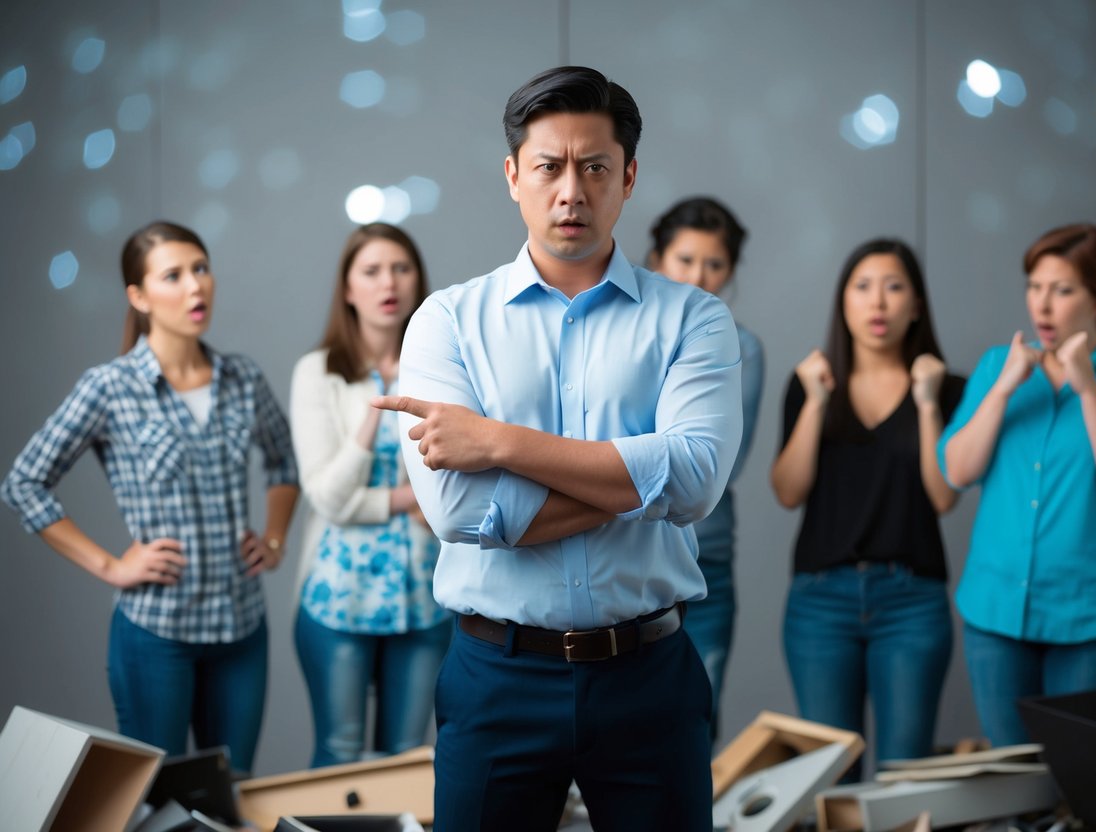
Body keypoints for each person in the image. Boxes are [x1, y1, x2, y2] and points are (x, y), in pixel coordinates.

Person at [372, 66, 742, 830]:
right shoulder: (447, 322)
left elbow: (697, 480)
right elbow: (458, 510)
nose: (571, 190)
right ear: (514, 175)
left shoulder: (694, 320)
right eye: (548, 167)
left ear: (628, 177)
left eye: (594, 167)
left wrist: (498, 443)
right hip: (495, 676)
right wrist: (633, 480)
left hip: (650, 676)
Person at [1, 221, 298, 773]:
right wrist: (111, 565)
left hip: (242, 631)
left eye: (202, 269)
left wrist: (275, 538)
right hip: (156, 634)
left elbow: (284, 462)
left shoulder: (243, 378)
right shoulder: (108, 387)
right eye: (174, 276)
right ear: (138, 297)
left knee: (229, 795)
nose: (195, 287)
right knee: (150, 797)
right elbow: (24, 482)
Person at [940, 223, 1096, 747]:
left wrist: (1088, 386)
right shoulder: (999, 365)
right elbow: (956, 470)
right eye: (1035, 286)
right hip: (995, 616)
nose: (1042, 305)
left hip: (1092, 624)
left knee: (1079, 783)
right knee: (1015, 780)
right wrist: (1002, 390)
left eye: (1062, 290)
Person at [771, 239, 962, 768]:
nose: (878, 303)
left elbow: (944, 496)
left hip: (912, 602)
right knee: (831, 776)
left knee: (904, 774)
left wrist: (926, 404)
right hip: (819, 602)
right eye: (863, 287)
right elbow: (788, 491)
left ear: (917, 304)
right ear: (843, 302)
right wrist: (816, 401)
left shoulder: (948, 390)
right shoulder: (808, 384)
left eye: (894, 287)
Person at [290, 223, 451, 767]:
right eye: (372, 270)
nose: (390, 283)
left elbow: (458, 488)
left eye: (401, 269)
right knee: (338, 753)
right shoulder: (318, 373)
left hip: (423, 597)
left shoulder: (441, 372)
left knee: (406, 758)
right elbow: (330, 499)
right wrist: (373, 414)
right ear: (348, 288)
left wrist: (404, 498)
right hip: (338, 595)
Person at [648, 196, 763, 738]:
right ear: (657, 259)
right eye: (685, 259)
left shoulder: (744, 348)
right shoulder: (627, 337)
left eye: (714, 263)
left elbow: (719, 466)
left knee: (697, 715)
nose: (699, 275)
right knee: (624, 725)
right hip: (624, 551)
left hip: (705, 557)